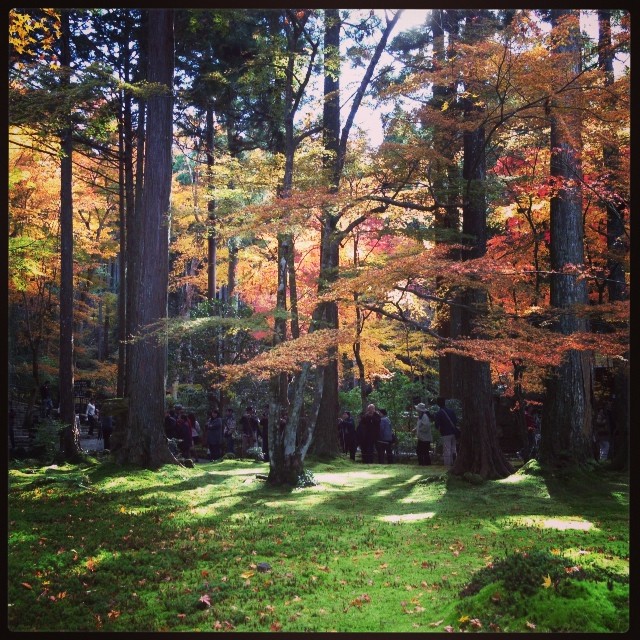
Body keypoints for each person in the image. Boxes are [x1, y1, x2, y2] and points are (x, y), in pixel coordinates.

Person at [434, 397, 458, 467]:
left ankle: (447, 465)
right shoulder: (451, 411)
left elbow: (436, 425)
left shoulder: (439, 413)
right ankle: (455, 463)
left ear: (438, 404)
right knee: (454, 449)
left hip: (445, 433)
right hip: (453, 432)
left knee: (447, 450)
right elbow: (455, 421)